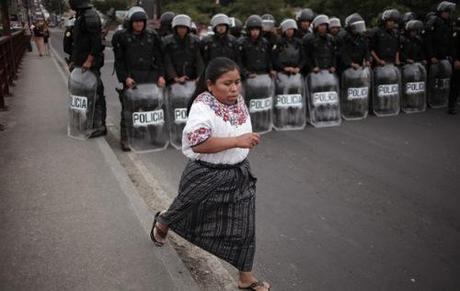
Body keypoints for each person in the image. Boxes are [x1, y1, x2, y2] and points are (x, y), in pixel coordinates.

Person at [150, 57, 270, 291]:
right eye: (227, 83)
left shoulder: (238, 100)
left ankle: (245, 278)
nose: (234, 88)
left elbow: (236, 129)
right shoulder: (202, 106)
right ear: (210, 84)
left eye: (237, 82)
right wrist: (238, 140)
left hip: (238, 175)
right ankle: (164, 221)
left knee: (245, 227)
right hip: (205, 175)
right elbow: (198, 144)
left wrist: (245, 137)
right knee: (183, 211)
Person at [112, 6, 165, 150]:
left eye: (141, 21)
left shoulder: (152, 36)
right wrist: (125, 78)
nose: (139, 24)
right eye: (136, 22)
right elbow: (119, 61)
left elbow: (160, 57)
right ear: (131, 22)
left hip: (150, 77)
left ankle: (154, 137)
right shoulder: (122, 37)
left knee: (152, 109)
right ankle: (126, 139)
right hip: (132, 78)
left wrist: (161, 75)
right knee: (129, 110)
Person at [69, 0, 106, 138]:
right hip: (81, 63)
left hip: (89, 64)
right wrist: (73, 61)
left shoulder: (90, 16)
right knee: (84, 94)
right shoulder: (81, 15)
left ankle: (99, 125)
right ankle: (89, 122)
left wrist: (89, 60)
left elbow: (97, 41)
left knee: (95, 94)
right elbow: (78, 43)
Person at [163, 14, 204, 85]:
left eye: (184, 28)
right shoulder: (167, 41)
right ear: (175, 28)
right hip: (173, 78)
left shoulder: (194, 41)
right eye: (180, 27)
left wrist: (199, 76)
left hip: (192, 77)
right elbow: (167, 61)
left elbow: (199, 60)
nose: (182, 30)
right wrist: (175, 77)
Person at [238, 15, 275, 79]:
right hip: (248, 75)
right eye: (252, 29)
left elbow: (268, 58)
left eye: (257, 29)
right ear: (248, 30)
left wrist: (271, 69)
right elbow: (239, 61)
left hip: (263, 74)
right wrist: (246, 73)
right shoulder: (242, 43)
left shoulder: (265, 42)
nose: (255, 32)